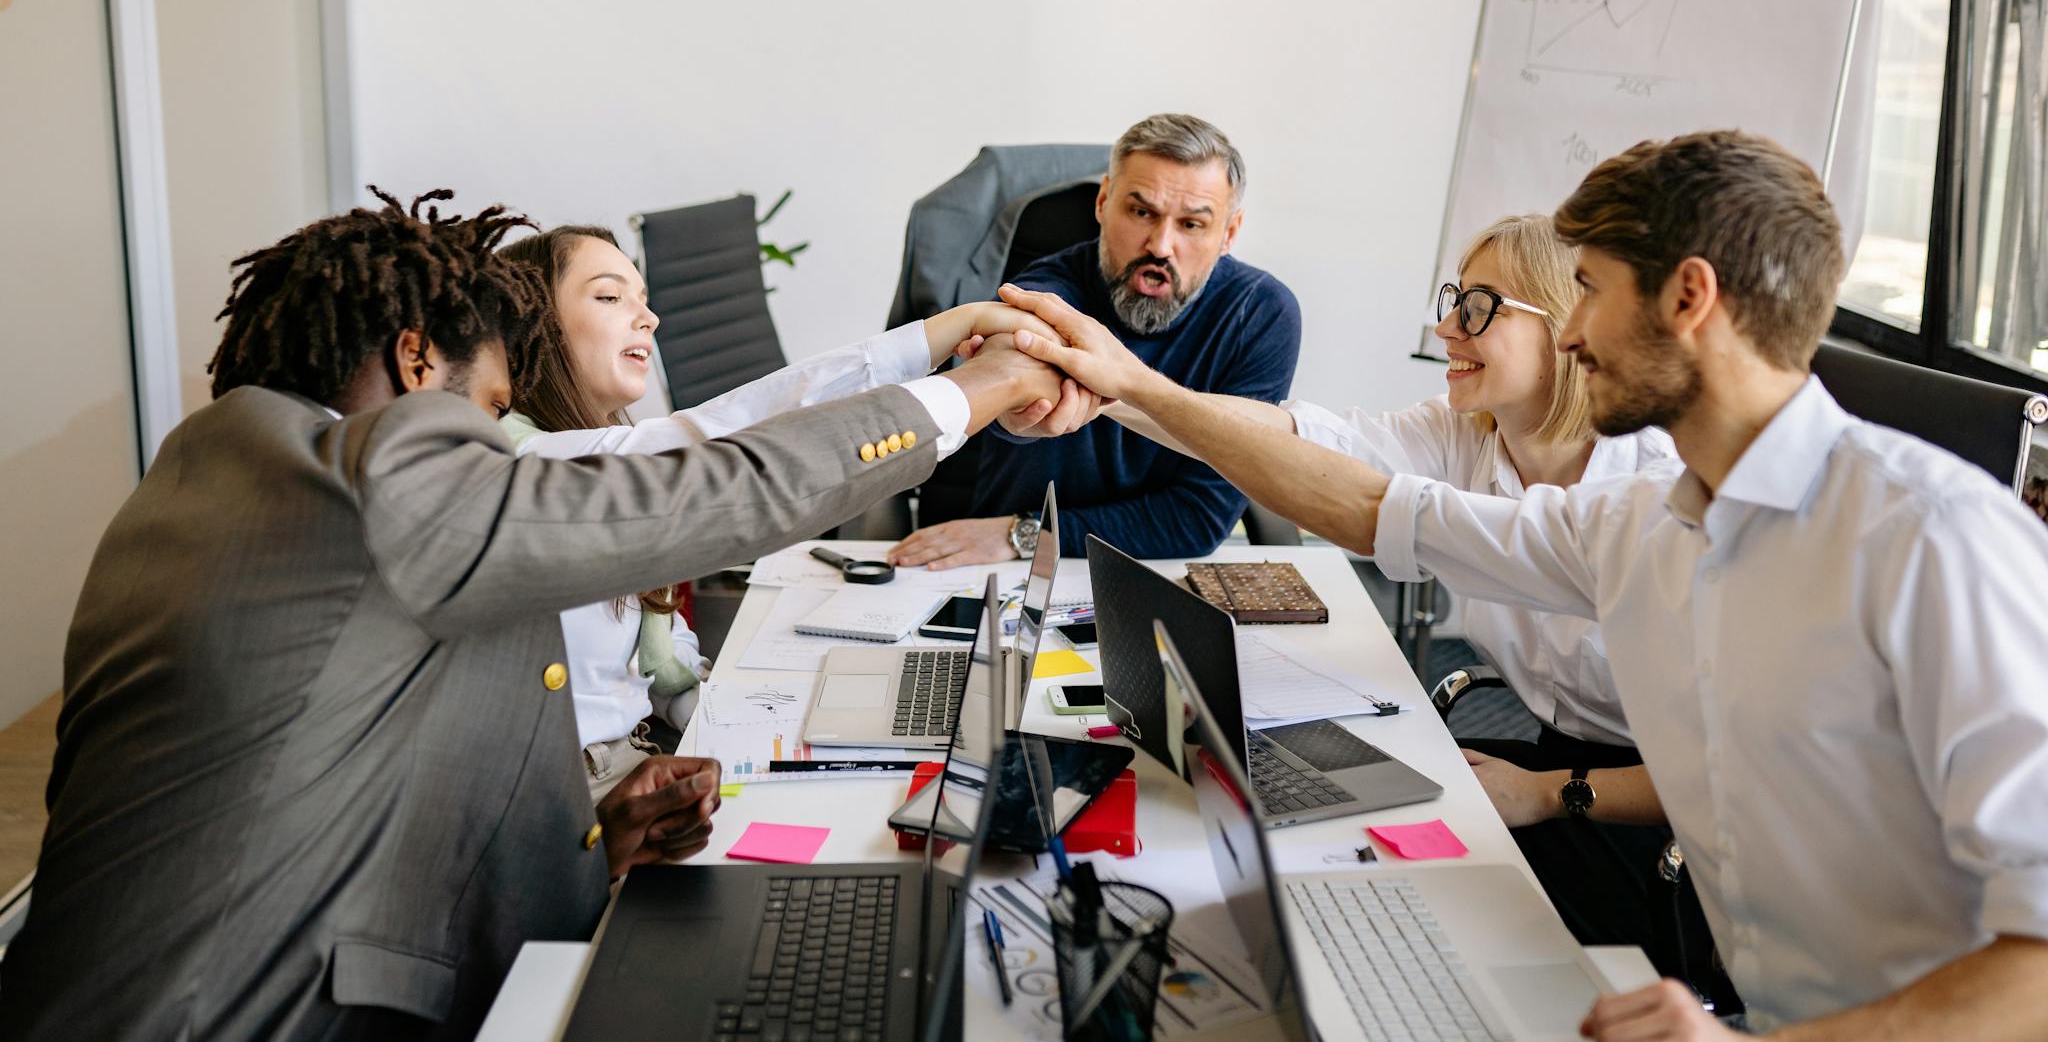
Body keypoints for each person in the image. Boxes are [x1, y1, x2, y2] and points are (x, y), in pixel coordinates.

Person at [998, 131, 2048, 1038]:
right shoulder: (1640, 525)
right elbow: (1366, 505)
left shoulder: (1934, 543)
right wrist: (1127, 385)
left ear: (1687, 297)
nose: (1575, 330)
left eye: (1585, 290)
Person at [0, 189, 1065, 1041]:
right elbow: (698, 484)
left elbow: (328, 791)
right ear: (419, 364)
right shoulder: (355, 482)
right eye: (497, 416)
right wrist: (976, 390)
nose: (506, 446)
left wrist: (588, 844)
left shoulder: (227, 471)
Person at [1104, 212, 1723, 1000]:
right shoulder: (1470, 434)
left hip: (1663, 827)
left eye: (1478, 308)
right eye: (1453, 300)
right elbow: (1300, 437)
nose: (1444, 327)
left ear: (1572, 325)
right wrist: (1111, 392)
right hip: (1547, 762)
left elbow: (1728, 772)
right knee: (1329, 868)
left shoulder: (1656, 493)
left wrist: (1546, 792)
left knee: (1422, 937)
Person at [496, 223, 1069, 799]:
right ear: (530, 323)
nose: (649, 318)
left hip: (648, 758)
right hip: (578, 794)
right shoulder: (526, 464)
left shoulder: (593, 449)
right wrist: (972, 361)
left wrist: (731, 717)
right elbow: (730, 436)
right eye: (609, 296)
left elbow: (657, 661)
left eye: (644, 300)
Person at [888, 113, 1301, 568]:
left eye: (1191, 224)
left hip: (1144, 568)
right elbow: (1014, 386)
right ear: (1103, 202)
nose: (1161, 246)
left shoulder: (1260, 315)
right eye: (1141, 212)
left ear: (1229, 233)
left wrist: (1027, 533)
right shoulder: (1045, 295)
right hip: (1013, 571)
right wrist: (1008, 388)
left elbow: (1197, 519)